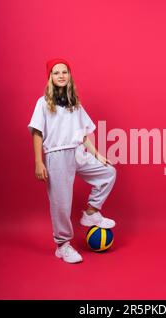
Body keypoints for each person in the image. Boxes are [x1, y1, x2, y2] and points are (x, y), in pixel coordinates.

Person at [28, 58, 117, 264]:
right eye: (56, 72)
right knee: (62, 203)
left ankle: (91, 212)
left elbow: (84, 133)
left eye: (64, 72)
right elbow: (37, 133)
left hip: (77, 152)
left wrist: (97, 154)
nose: (61, 75)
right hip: (57, 155)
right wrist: (38, 162)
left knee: (108, 172)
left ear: (70, 76)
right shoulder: (42, 103)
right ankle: (63, 245)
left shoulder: (75, 104)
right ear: (50, 77)